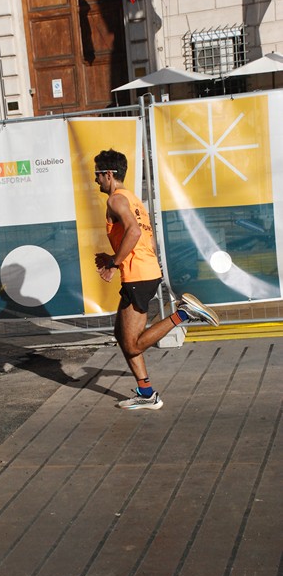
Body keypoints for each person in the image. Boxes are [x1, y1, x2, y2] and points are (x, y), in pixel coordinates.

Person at [93, 148, 219, 411]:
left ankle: (183, 315)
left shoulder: (115, 200)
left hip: (138, 275)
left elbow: (135, 233)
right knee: (121, 334)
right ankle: (146, 392)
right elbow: (148, 239)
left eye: (98, 175)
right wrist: (115, 256)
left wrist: (114, 264)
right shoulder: (133, 199)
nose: (96, 181)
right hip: (144, 271)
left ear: (108, 174)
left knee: (133, 343)